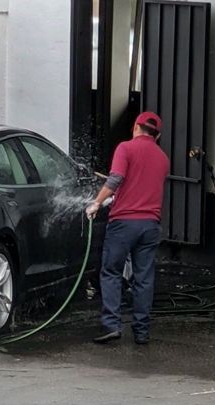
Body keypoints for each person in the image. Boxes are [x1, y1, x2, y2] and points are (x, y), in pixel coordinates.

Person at [85, 111, 170, 345]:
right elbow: (141, 186)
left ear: (135, 127)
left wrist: (96, 203)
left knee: (111, 272)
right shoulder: (163, 159)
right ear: (157, 135)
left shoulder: (126, 148)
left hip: (124, 224)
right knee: (143, 279)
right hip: (150, 226)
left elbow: (115, 180)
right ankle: (141, 332)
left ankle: (111, 325)